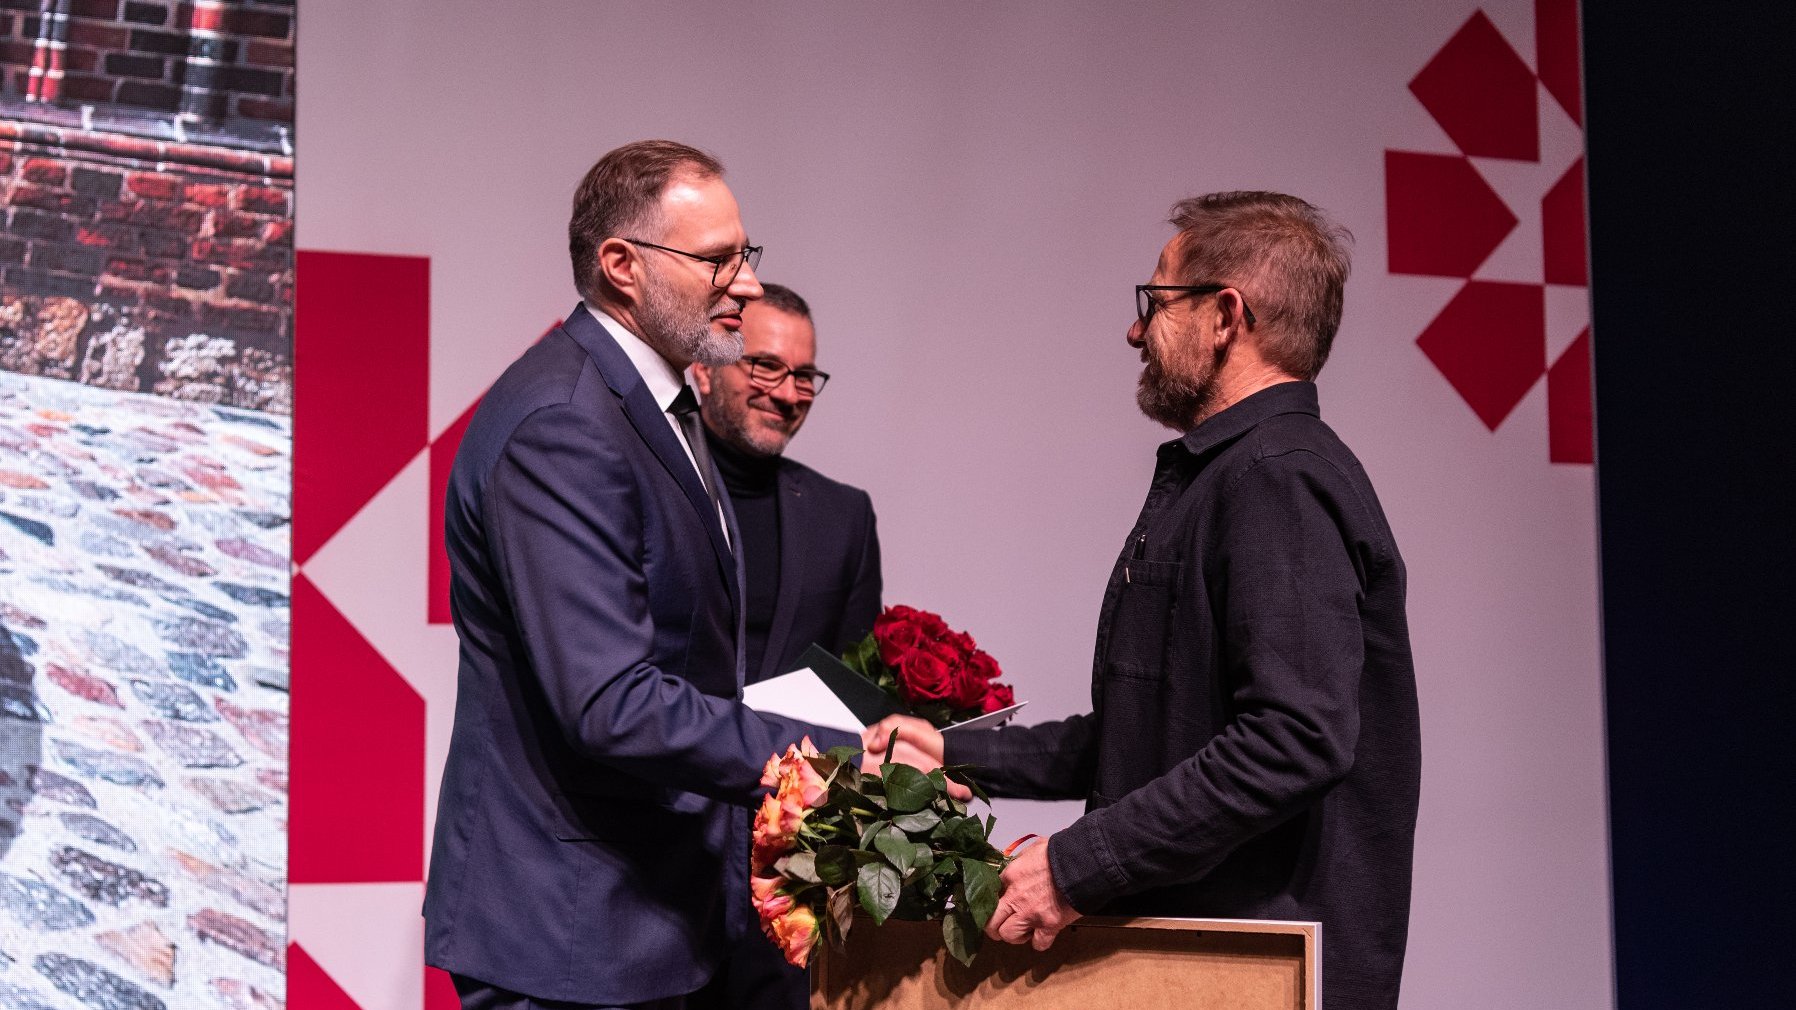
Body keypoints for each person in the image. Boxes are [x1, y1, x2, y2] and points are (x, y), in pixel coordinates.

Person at [866, 191, 1422, 1010]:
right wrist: (954, 754)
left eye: (1155, 302)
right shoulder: (1236, 473)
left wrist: (1076, 865)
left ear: (1225, 315)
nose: (1135, 331)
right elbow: (1154, 733)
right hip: (1203, 959)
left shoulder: (1278, 479)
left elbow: (1294, 739)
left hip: (1259, 970)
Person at [424, 140, 859, 1010]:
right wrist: (843, 761)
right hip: (571, 937)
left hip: (646, 923)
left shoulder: (658, 405)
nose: (744, 283)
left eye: (746, 256)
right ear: (621, 265)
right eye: (718, 260)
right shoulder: (564, 422)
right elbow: (611, 702)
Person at [689, 283, 882, 1009]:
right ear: (704, 367)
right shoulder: (649, 486)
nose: (788, 391)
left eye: (804, 375)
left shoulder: (842, 516)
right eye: (764, 367)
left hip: (785, 881)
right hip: (648, 865)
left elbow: (854, 695)